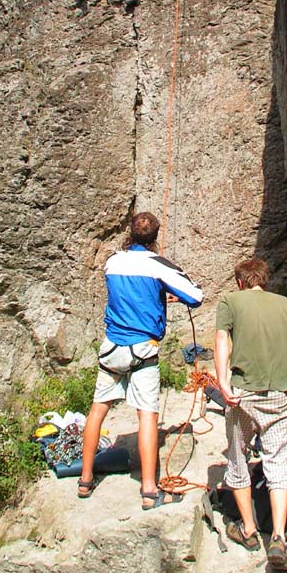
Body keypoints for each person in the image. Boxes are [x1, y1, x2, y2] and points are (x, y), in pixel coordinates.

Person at [78, 211, 203, 508]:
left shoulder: (113, 262)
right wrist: (168, 293)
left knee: (97, 410)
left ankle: (84, 480)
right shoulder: (158, 265)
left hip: (112, 347)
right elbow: (195, 296)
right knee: (147, 414)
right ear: (155, 237)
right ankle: (149, 491)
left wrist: (158, 295)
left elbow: (130, 293)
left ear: (129, 233)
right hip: (142, 349)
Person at [214, 258, 287, 573]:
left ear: (240, 282)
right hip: (282, 395)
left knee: (238, 458)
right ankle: (280, 537)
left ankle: (248, 530)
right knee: (280, 464)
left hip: (242, 394)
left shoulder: (230, 300)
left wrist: (222, 382)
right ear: (264, 281)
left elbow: (220, 342)